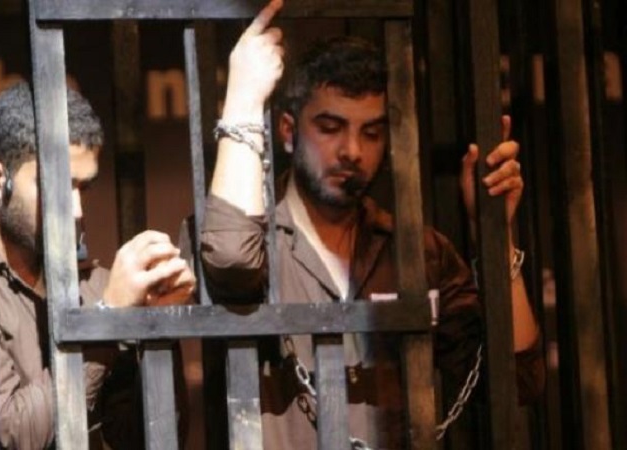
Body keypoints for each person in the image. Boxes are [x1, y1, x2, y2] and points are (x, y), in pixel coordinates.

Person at [199, 1, 544, 448]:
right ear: (287, 131)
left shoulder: (419, 252)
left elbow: (518, 382)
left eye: (371, 132)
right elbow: (231, 261)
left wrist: (496, 233)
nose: (352, 151)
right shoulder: (248, 237)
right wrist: (244, 102)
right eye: (330, 128)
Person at [0, 82, 194, 449]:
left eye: (83, 187)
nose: (77, 210)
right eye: (56, 186)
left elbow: (140, 439)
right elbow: (9, 435)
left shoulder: (91, 286)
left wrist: (158, 326)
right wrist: (106, 320)